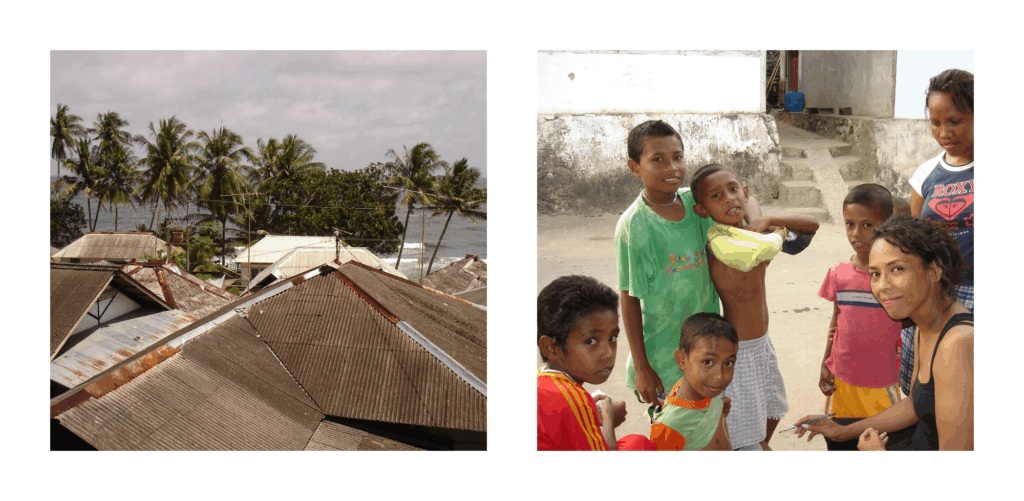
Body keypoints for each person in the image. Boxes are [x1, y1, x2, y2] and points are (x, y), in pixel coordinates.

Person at [614, 120, 761, 409]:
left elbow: (746, 200)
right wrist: (643, 368)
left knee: (708, 426)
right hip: (663, 354)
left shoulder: (696, 204)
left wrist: (758, 224)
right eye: (658, 159)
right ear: (634, 167)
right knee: (674, 431)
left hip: (708, 349)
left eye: (677, 157)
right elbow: (629, 299)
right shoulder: (634, 226)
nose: (672, 168)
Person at [793, 216, 973, 450]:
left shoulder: (958, 343)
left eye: (897, 269)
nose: (882, 286)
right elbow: (915, 407)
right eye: (875, 274)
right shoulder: (925, 325)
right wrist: (842, 431)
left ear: (934, 270)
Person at [689, 163, 819, 450]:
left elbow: (812, 223)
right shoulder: (721, 242)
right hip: (740, 348)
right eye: (716, 197)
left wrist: (767, 216)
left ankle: (760, 445)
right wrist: (775, 230)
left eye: (733, 190)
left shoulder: (748, 224)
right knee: (740, 430)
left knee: (772, 408)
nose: (729, 199)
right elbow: (762, 249)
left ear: (745, 192)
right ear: (702, 210)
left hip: (761, 342)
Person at [900, 69, 974, 395]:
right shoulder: (925, 174)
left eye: (955, 121)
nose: (944, 132)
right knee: (924, 389)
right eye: (935, 122)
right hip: (934, 295)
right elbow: (914, 243)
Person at [816, 184, 906, 450]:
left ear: (886, 223)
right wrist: (826, 362)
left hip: (883, 382)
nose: (856, 233)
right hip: (842, 381)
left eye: (868, 225)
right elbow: (836, 323)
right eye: (849, 224)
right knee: (839, 443)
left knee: (881, 445)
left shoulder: (898, 277)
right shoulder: (838, 272)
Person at [537, 275, 655, 451]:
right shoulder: (572, 399)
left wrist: (587, 412)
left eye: (612, 338)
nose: (608, 353)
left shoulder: (541, 379)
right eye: (591, 341)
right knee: (641, 444)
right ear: (551, 347)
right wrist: (608, 418)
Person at [650, 312, 737, 450]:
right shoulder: (668, 427)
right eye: (707, 362)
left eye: (728, 363)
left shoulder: (706, 392)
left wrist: (717, 409)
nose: (719, 376)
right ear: (682, 360)